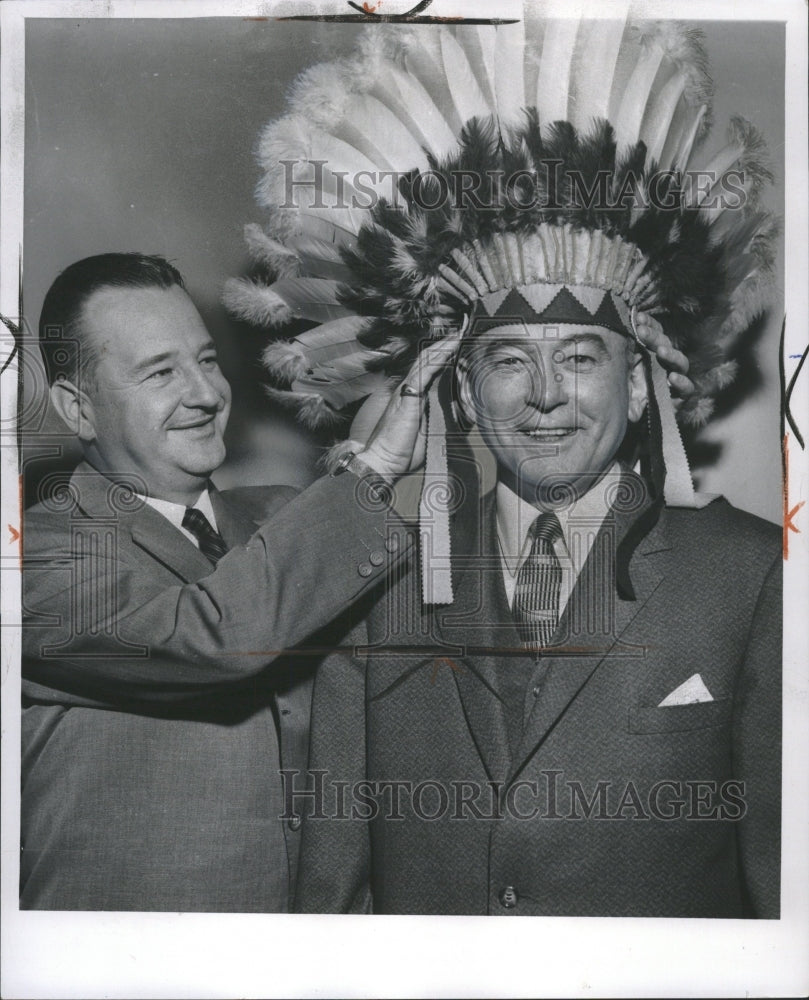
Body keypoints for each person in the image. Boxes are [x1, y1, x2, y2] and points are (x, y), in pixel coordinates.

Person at [220, 22, 782, 917]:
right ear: (464, 393)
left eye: (583, 359)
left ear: (640, 387)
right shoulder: (378, 577)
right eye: (510, 360)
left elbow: (781, 894)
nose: (546, 396)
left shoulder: (750, 577)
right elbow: (333, 882)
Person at [20, 251, 455, 912]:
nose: (204, 394)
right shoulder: (34, 557)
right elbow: (212, 635)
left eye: (207, 360)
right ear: (78, 409)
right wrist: (374, 470)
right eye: (161, 371)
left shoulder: (288, 514)